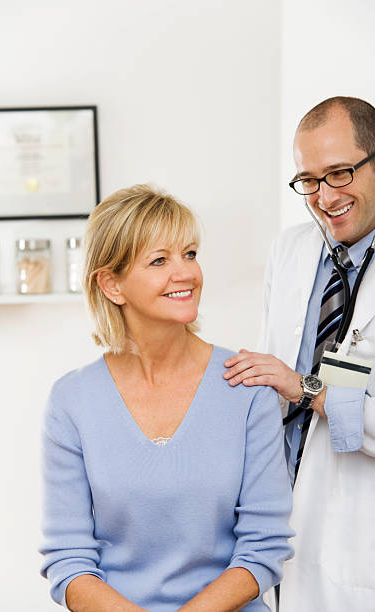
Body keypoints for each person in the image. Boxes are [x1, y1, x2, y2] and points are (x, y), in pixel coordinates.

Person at [40, 184, 293, 612]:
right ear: (111, 285)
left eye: (190, 254)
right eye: (159, 261)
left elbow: (264, 548)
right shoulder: (73, 400)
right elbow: (69, 560)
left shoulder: (246, 387)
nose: (186, 273)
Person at [224, 96, 375, 611]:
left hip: (357, 538)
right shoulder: (291, 250)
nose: (323, 196)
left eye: (339, 173)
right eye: (307, 180)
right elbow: (272, 379)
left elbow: (294, 382)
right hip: (276, 523)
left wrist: (305, 388)